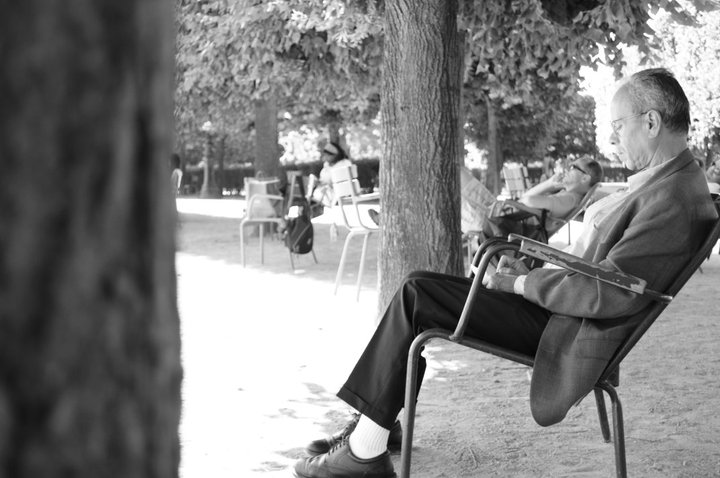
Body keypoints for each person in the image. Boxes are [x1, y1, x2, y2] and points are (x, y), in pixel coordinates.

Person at [292, 68, 717, 478]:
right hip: (561, 311)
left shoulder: (672, 197)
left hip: (565, 329)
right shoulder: (671, 182)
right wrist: (536, 266)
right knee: (417, 288)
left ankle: (367, 449)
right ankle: (376, 424)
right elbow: (603, 271)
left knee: (417, 293)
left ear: (651, 121)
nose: (612, 138)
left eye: (617, 125)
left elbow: (613, 291)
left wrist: (519, 282)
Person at [308, 141, 352, 206]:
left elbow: (334, 180)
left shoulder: (344, 163)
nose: (325, 157)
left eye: (327, 155)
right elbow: (324, 179)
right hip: (326, 194)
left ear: (334, 155)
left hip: (337, 194)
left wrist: (323, 183)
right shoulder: (327, 165)